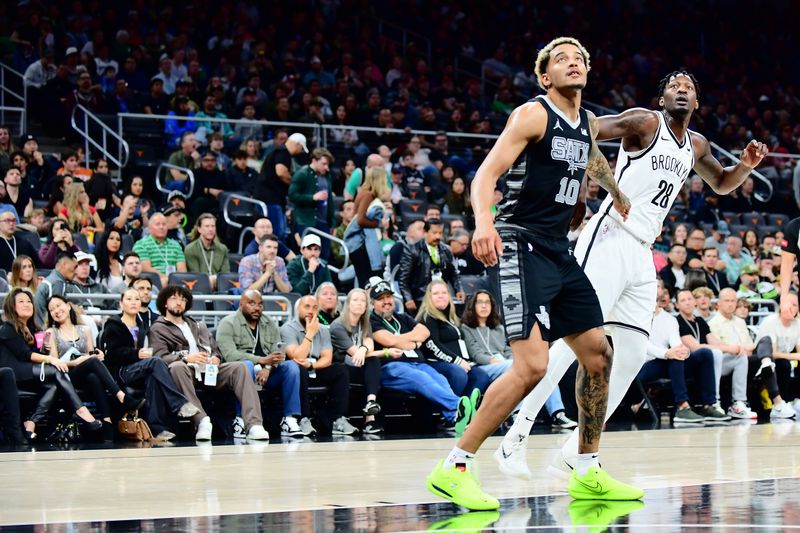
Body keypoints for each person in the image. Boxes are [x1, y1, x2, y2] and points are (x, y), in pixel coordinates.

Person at [494, 68, 768, 485]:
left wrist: (746, 166)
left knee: (634, 353)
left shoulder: (696, 146)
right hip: (608, 236)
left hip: (644, 250)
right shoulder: (644, 121)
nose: (681, 89)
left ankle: (575, 453)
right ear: (661, 100)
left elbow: (724, 183)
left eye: (689, 88)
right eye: (674, 86)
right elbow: (582, 130)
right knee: (575, 342)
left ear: (696, 104)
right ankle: (516, 435)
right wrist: (600, 187)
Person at [427, 37, 641, 509]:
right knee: (533, 366)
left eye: (579, 58)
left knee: (599, 354)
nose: (573, 63)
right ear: (545, 76)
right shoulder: (532, 114)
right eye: (561, 59)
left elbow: (591, 159)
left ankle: (586, 469)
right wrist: (484, 223)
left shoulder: (586, 122)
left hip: (558, 249)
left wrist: (616, 192)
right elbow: (485, 175)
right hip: (518, 242)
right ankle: (454, 467)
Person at [148, 285, 270, 441]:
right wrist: (185, 358)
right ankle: (201, 422)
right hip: (186, 372)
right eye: (174, 298)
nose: (179, 302)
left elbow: (216, 350)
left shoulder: (199, 325)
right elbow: (159, 357)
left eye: (183, 299)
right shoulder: (158, 328)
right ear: (165, 303)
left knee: (242, 367)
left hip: (210, 371)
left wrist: (216, 358)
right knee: (177, 368)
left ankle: (254, 425)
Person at [460, 290, 576, 429]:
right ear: (473, 306)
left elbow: (508, 350)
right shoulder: (466, 328)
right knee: (516, 368)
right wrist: (497, 362)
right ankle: (516, 414)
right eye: (480, 302)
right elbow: (476, 353)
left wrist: (512, 361)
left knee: (543, 369)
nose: (484, 306)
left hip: (506, 363)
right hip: (484, 367)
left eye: (487, 302)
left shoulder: (499, 328)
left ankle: (558, 414)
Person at [0, 288, 102, 441]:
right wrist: (51, 359)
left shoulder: (33, 329)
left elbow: (34, 355)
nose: (27, 304)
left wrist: (44, 349)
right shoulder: (7, 328)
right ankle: (81, 411)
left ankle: (31, 423)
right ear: (12, 306)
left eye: (29, 301)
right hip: (13, 372)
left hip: (29, 372)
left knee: (54, 386)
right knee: (55, 369)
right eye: (21, 301)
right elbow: (25, 355)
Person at [369, 279, 467, 430]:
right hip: (391, 367)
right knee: (422, 378)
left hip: (417, 363)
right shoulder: (372, 320)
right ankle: (460, 406)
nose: (386, 302)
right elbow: (388, 340)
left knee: (439, 378)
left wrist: (401, 341)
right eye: (381, 299)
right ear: (373, 303)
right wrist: (413, 342)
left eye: (388, 297)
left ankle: (453, 416)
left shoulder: (402, 317)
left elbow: (424, 332)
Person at [101, 288, 199, 441]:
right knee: (156, 362)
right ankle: (178, 404)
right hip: (122, 371)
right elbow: (111, 355)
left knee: (154, 377)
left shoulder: (143, 325)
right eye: (129, 299)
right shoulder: (113, 324)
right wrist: (135, 354)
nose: (133, 302)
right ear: (121, 303)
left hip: (141, 368)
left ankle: (157, 428)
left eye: (136, 299)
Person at [45, 294, 146, 440]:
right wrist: (76, 362)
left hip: (85, 373)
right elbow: (55, 362)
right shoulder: (51, 332)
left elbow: (91, 354)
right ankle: (121, 397)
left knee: (93, 376)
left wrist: (98, 356)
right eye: (52, 309)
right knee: (92, 363)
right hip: (66, 375)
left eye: (59, 305)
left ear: (67, 306)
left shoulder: (84, 329)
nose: (56, 310)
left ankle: (107, 423)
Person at [215, 290, 305, 438]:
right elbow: (230, 355)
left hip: (266, 374)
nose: (257, 308)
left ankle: (289, 419)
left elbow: (278, 353)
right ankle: (240, 419)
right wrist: (261, 360)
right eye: (251, 303)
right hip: (240, 373)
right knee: (246, 366)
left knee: (291, 367)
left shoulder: (269, 323)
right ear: (241, 304)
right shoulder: (228, 323)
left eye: (260, 304)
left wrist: (267, 369)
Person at [643, 289, 729, 423]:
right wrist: (667, 353)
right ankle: (682, 407)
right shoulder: (638, 318)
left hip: (667, 361)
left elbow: (676, 343)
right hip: (644, 365)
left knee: (704, 353)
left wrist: (684, 351)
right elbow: (644, 346)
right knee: (675, 358)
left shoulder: (669, 319)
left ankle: (708, 405)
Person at [708, 288, 793, 419]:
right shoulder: (712, 324)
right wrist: (738, 348)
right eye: (727, 301)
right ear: (718, 303)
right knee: (754, 357)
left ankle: (777, 399)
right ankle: (775, 399)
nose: (730, 304)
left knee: (766, 340)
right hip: (728, 360)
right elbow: (719, 349)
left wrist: (742, 348)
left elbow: (751, 345)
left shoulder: (740, 321)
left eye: (733, 301)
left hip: (746, 357)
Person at [280, 295, 357, 435]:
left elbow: (327, 358)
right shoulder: (287, 328)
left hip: (313, 368)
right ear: (298, 309)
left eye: (315, 308)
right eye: (307, 307)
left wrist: (311, 366)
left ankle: (338, 420)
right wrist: (309, 334)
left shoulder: (323, 329)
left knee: (340, 370)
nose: (311, 311)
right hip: (297, 373)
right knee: (299, 369)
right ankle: (303, 419)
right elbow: (297, 356)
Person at [416, 280, 491, 398]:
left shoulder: (451, 318)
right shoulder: (427, 317)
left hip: (460, 363)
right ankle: (452, 410)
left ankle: (466, 410)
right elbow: (433, 346)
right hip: (438, 363)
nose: (441, 296)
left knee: (481, 376)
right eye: (436, 293)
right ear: (429, 297)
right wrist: (458, 361)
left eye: (444, 293)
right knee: (458, 374)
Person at [328, 288, 386, 434]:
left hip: (359, 365)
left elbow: (369, 347)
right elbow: (354, 352)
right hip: (341, 368)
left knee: (373, 362)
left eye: (363, 301)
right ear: (347, 304)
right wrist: (386, 352)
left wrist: (363, 349)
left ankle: (370, 407)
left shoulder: (364, 323)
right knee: (372, 360)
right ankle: (369, 415)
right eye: (355, 300)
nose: (359, 304)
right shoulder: (337, 325)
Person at [398, 219, 464, 313]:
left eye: (440, 233)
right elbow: (403, 279)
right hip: (420, 297)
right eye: (434, 233)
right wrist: (408, 298)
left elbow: (453, 273)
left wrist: (459, 289)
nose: (438, 236)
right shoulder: (411, 250)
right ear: (425, 232)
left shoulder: (446, 250)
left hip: (441, 296)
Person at [345, 166, 391, 287]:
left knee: (365, 281)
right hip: (360, 245)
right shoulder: (367, 195)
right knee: (368, 282)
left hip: (358, 245)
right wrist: (379, 224)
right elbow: (360, 220)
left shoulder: (363, 193)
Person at [288, 148, 336, 259]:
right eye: (323, 164)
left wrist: (332, 221)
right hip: (306, 220)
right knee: (306, 256)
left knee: (323, 257)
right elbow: (292, 195)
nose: (326, 167)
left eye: (327, 164)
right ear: (314, 160)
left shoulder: (327, 176)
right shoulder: (302, 174)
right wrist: (312, 198)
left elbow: (330, 202)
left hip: (324, 222)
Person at [754, 292, 800, 408]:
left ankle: (795, 399)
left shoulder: (798, 324)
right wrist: (793, 356)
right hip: (761, 359)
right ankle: (780, 403)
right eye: (788, 304)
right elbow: (772, 353)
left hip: (782, 357)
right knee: (784, 365)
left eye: (795, 305)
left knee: (786, 363)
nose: (791, 308)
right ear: (781, 305)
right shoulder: (771, 321)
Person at [132, 213, 187, 287]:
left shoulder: (176, 245)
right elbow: (145, 268)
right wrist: (167, 279)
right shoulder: (141, 245)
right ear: (149, 228)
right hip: (151, 283)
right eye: (157, 224)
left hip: (175, 284)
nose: (161, 227)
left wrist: (172, 280)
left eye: (164, 224)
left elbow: (182, 269)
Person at [183, 214, 230, 290]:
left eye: (213, 226)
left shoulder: (222, 249)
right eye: (207, 226)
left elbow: (225, 275)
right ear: (199, 229)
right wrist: (213, 279)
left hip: (219, 289)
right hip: (198, 290)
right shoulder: (190, 249)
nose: (210, 229)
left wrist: (214, 280)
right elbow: (197, 277)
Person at [34, 253, 77, 329]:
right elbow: (57, 314)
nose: (76, 271)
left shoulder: (53, 279)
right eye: (75, 267)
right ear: (64, 264)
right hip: (45, 330)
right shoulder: (58, 282)